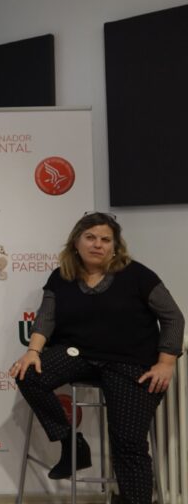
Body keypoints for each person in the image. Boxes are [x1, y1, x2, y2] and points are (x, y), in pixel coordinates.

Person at [10, 212, 183, 504]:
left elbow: (173, 318)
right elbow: (46, 319)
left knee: (128, 442)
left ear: (115, 246)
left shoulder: (138, 275)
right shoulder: (61, 276)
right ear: (76, 242)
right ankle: (72, 444)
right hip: (80, 354)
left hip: (131, 361)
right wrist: (32, 352)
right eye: (90, 237)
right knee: (28, 374)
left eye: (105, 239)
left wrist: (166, 363)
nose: (97, 244)